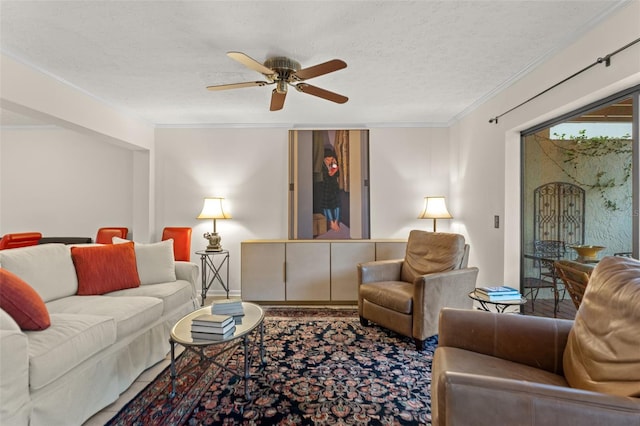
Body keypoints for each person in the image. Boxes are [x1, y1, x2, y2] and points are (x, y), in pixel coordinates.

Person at [321, 148, 341, 231]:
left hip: (334, 187)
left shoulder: (334, 164)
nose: (329, 161)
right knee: (326, 206)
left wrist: (335, 166)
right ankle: (331, 222)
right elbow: (328, 175)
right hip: (325, 187)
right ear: (324, 159)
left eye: (331, 159)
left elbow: (337, 175)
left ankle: (336, 221)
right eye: (327, 159)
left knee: (337, 205)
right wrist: (332, 170)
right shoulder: (322, 165)